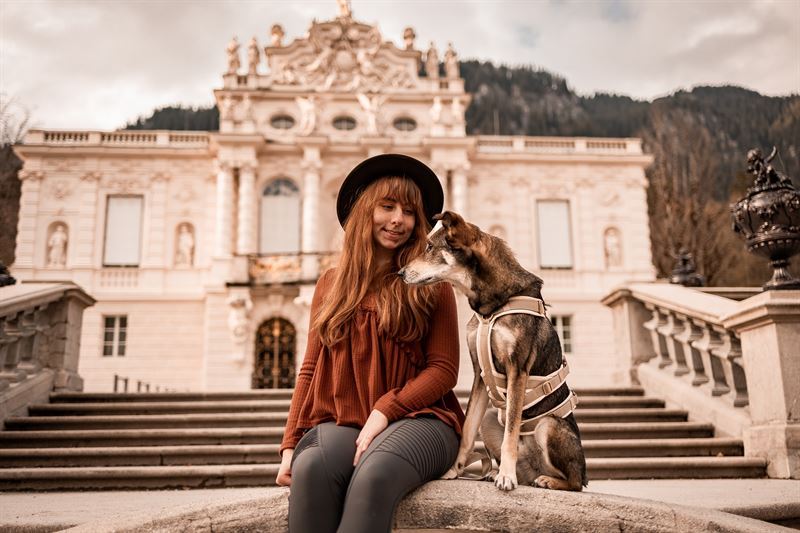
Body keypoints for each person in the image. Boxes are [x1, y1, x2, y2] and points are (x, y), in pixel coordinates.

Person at [276, 153, 464, 533]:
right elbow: (311, 367)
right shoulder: (331, 283)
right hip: (346, 420)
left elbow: (444, 370)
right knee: (310, 466)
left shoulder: (432, 283)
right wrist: (289, 444)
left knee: (374, 472)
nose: (398, 219)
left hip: (423, 419)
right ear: (365, 211)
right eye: (387, 206)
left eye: (409, 212)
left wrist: (386, 409)